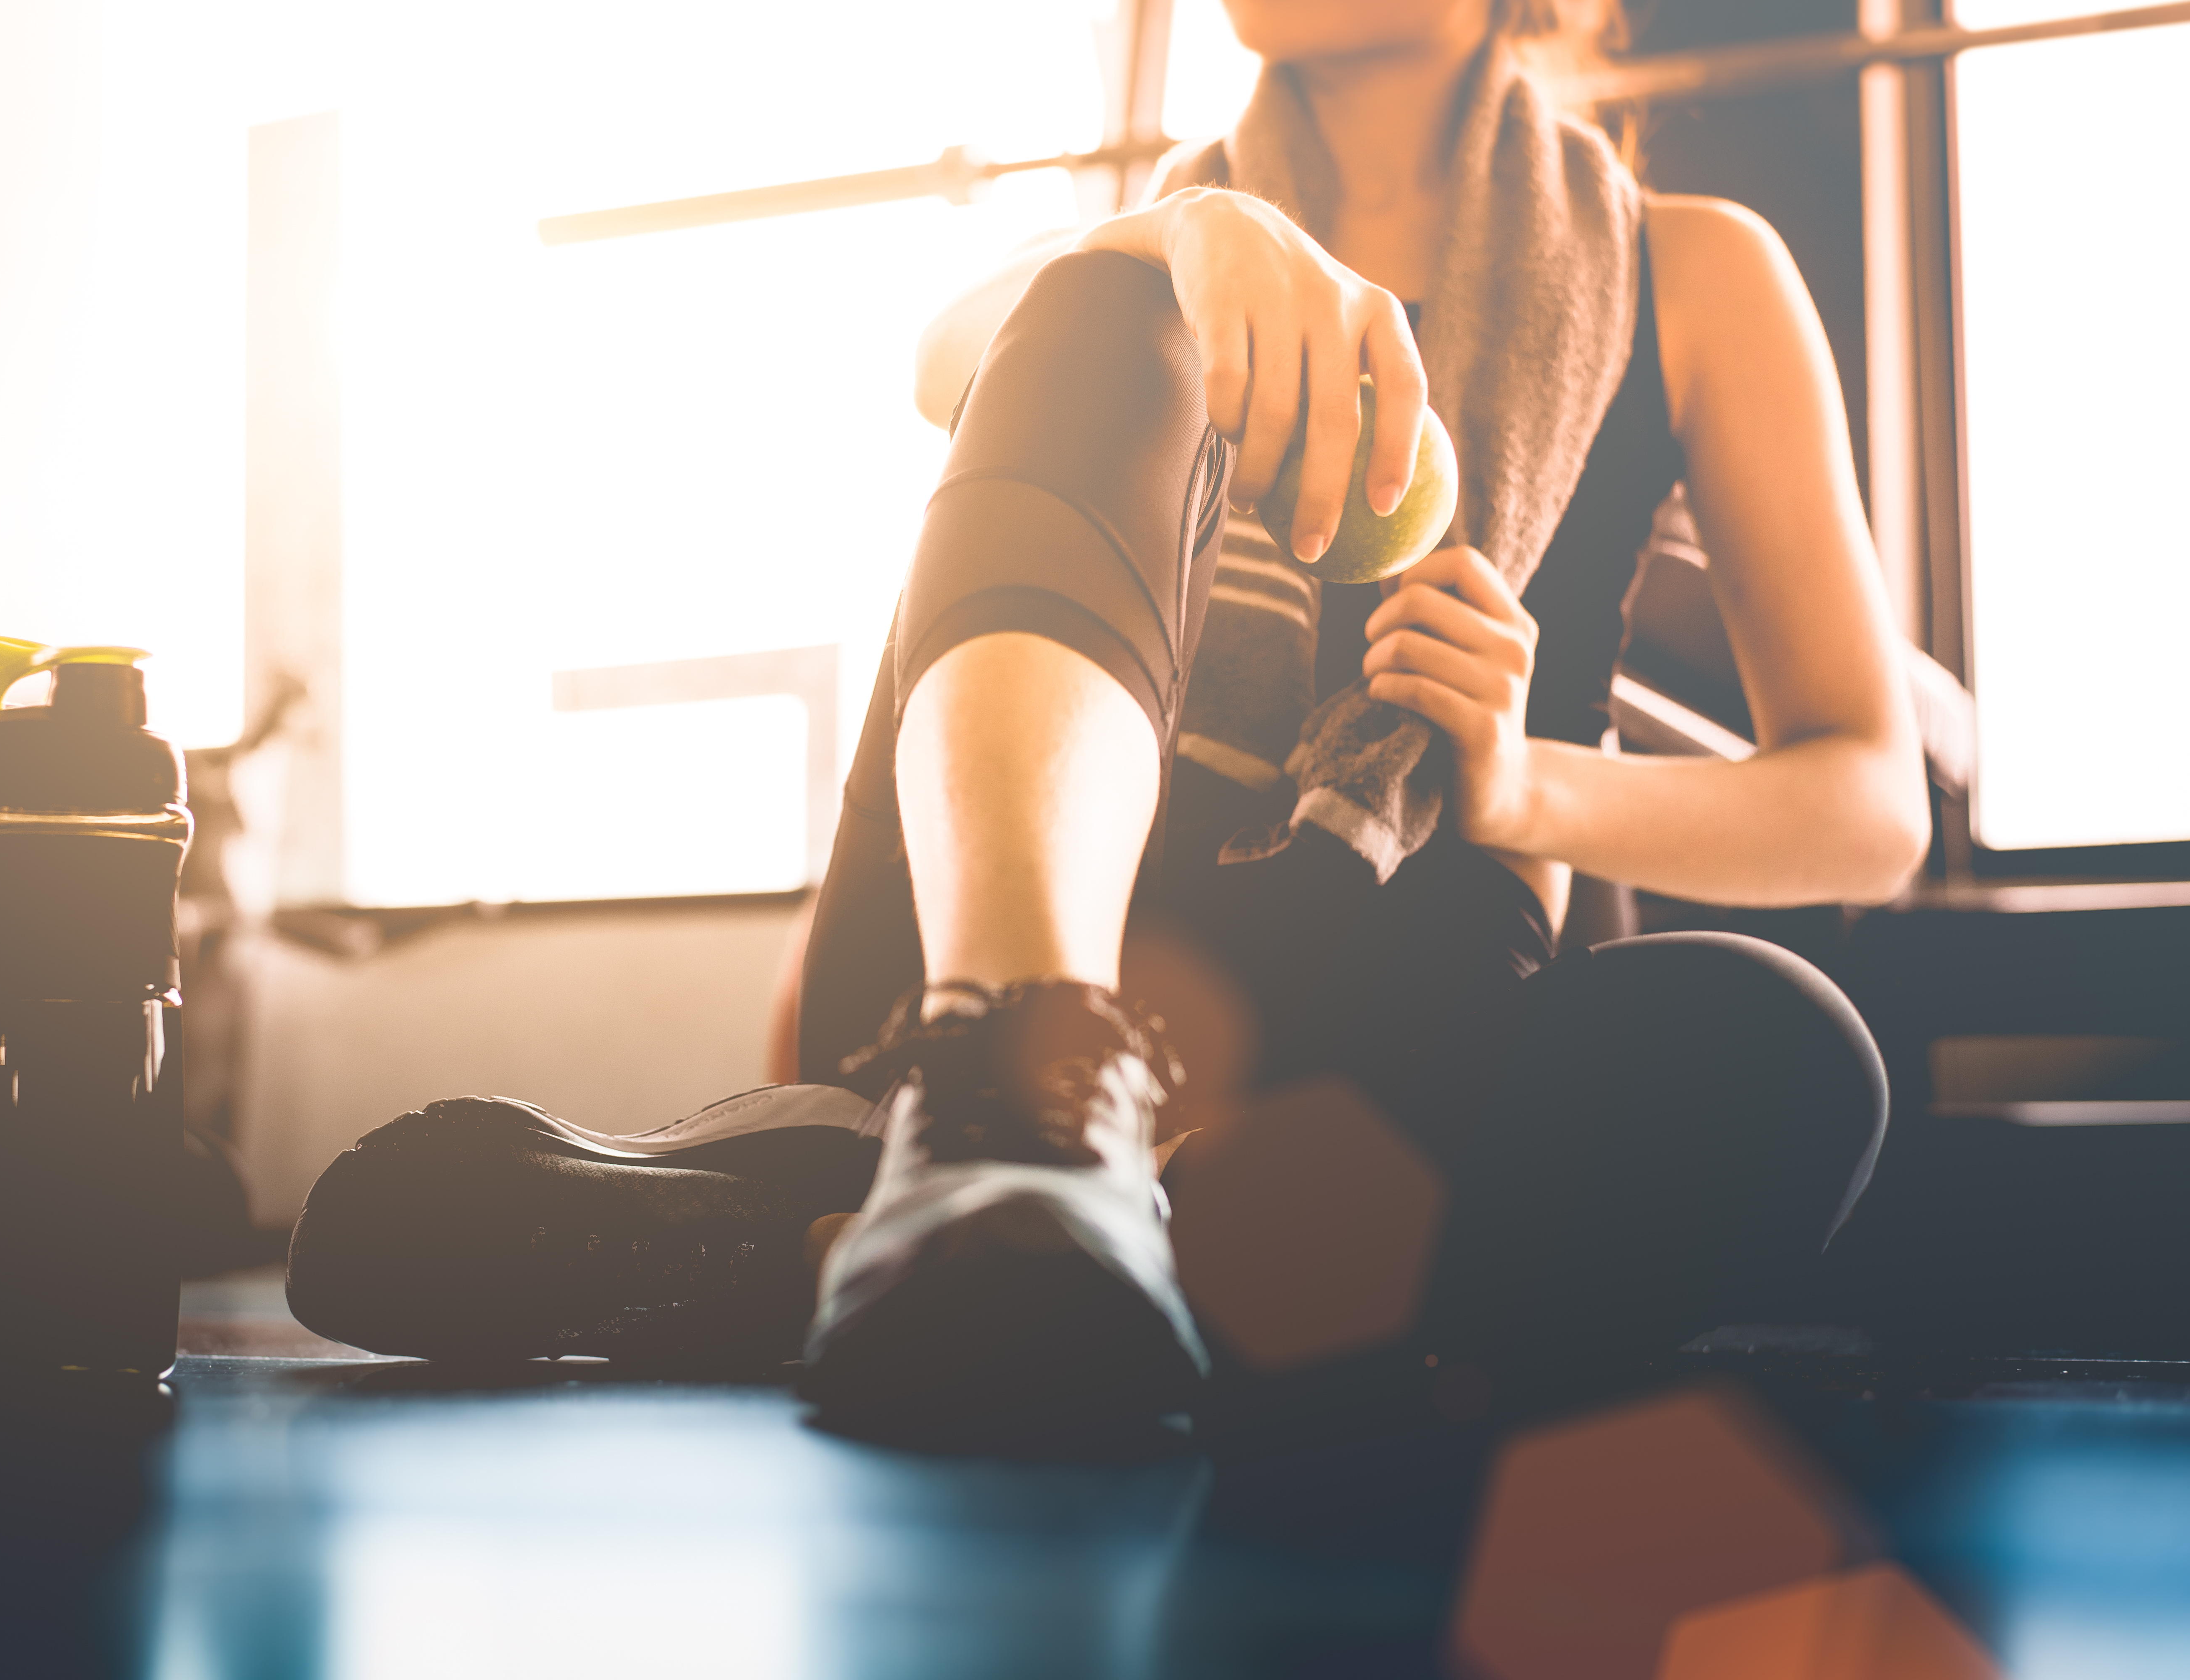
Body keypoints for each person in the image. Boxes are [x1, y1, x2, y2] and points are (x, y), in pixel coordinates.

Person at [286, 0, 1923, 1442]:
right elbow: (938, 354)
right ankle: (1025, 1122)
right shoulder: (1136, 252)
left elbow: (1865, 797)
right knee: (1094, 298)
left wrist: (1523, 786)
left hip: (1377, 1018)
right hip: (996, 965)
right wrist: (1180, 236)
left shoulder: (1690, 266)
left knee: (1783, 1059)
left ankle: (846, 1250)